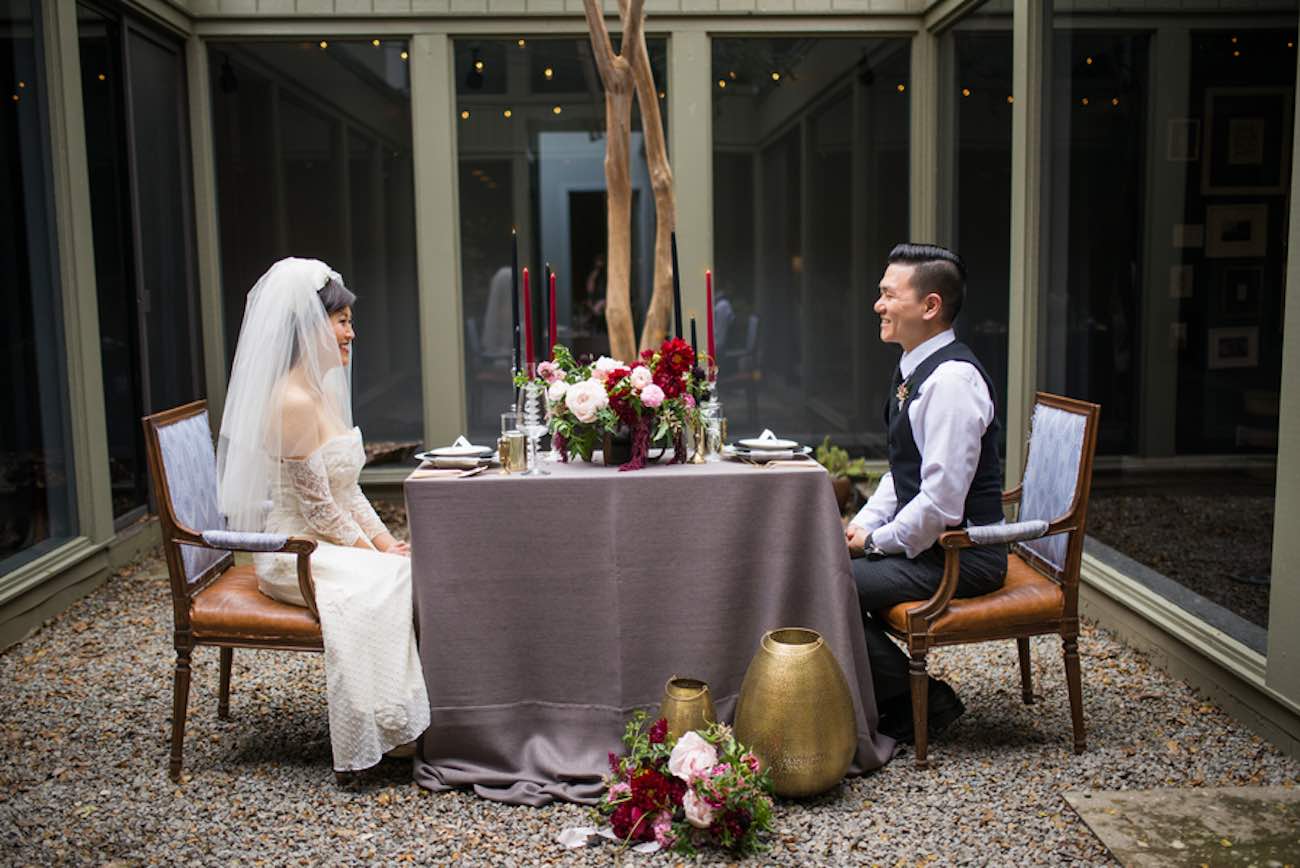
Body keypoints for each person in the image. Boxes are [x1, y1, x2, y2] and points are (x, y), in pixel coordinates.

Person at [216, 257, 430, 773]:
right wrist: (374, 556)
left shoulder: (321, 393)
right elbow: (317, 509)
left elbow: (348, 492)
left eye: (349, 322)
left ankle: (405, 716)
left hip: (325, 537)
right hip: (294, 549)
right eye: (342, 322)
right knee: (390, 583)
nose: (351, 334)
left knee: (405, 567)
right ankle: (379, 723)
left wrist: (384, 545)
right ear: (310, 326)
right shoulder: (292, 401)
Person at [845, 243, 1006, 744]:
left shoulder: (952, 382)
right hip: (935, 546)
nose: (879, 304)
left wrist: (874, 544)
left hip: (966, 554)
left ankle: (919, 701)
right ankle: (897, 694)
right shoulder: (918, 368)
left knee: (823, 584)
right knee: (822, 572)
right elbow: (903, 471)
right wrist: (866, 524)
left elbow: (940, 505)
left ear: (930, 306)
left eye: (889, 295)